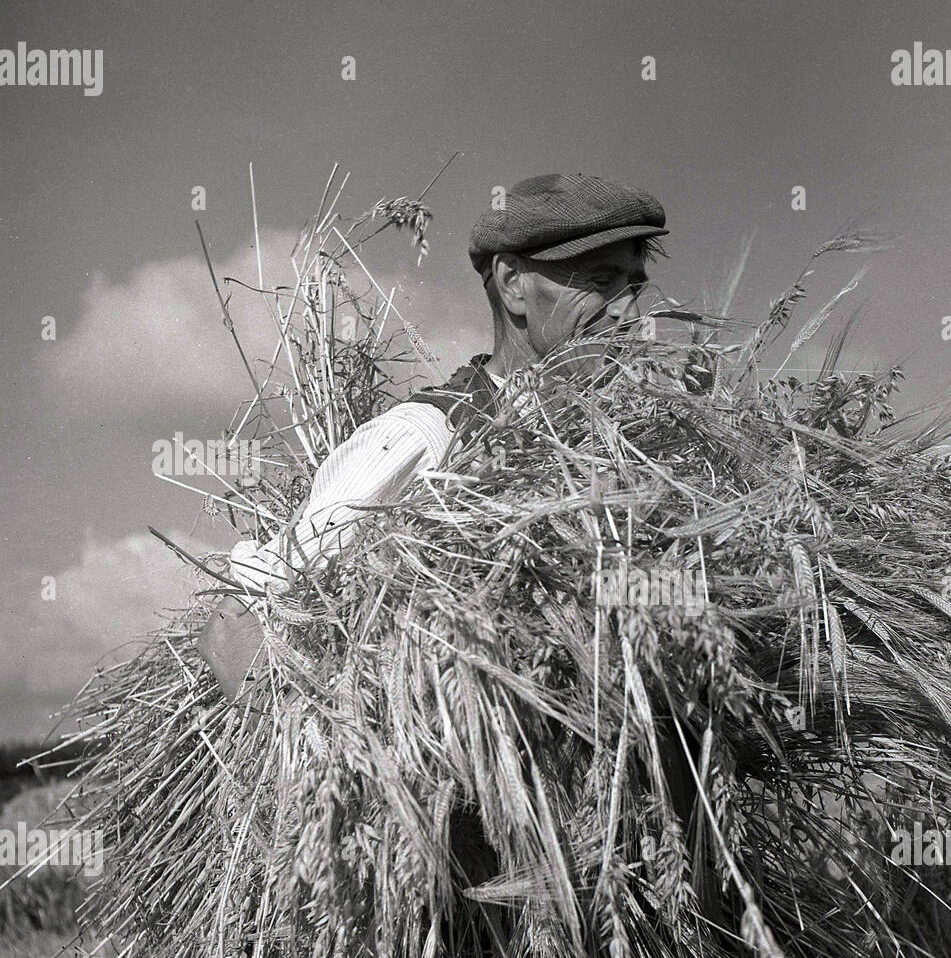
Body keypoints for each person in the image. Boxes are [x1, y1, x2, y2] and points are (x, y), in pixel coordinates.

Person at [197, 173, 669, 699]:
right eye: (601, 281)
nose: (630, 312)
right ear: (513, 283)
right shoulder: (426, 437)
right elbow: (236, 623)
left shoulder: (616, 453)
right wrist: (347, 766)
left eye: (634, 286)